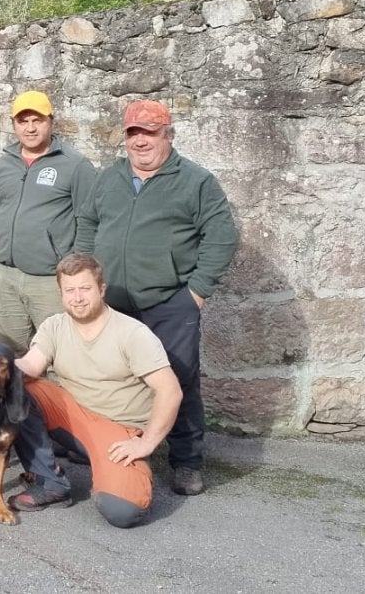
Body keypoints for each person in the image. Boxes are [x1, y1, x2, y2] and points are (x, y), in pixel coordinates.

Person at [79, 100, 236, 497]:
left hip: (169, 303)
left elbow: (221, 236)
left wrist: (196, 292)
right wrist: (86, 276)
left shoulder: (197, 182)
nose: (140, 141)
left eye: (149, 132)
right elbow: (87, 223)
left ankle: (186, 462)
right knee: (109, 378)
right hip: (112, 302)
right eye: (133, 133)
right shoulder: (108, 178)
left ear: (168, 134)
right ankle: (107, 446)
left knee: (178, 379)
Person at [10, 254, 183, 527]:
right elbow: (31, 364)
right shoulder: (54, 325)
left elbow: (170, 391)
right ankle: (50, 482)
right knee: (13, 387)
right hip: (73, 412)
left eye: (85, 288)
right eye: (70, 290)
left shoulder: (131, 333)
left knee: (121, 511)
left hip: (117, 429)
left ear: (101, 289)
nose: (77, 297)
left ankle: (113, 469)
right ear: (61, 293)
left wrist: (147, 442)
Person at [0, 90, 96, 352]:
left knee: (58, 352)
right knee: (12, 354)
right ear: (14, 125)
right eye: (23, 121)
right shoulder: (3, 164)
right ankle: (19, 396)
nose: (30, 128)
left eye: (37, 120)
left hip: (49, 280)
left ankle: (53, 396)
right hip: (4, 276)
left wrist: (75, 272)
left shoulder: (75, 165)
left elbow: (88, 220)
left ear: (50, 122)